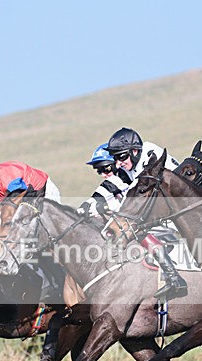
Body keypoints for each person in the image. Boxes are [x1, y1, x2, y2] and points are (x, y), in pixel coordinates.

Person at [104, 128, 187, 301]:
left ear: (135, 151)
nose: (118, 163)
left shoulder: (150, 154)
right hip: (164, 208)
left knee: (135, 227)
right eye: (115, 158)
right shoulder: (130, 164)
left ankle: (173, 277)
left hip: (180, 208)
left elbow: (138, 191)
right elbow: (112, 185)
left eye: (121, 157)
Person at [77, 143, 132, 218]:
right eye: (99, 171)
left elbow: (131, 203)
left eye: (106, 169)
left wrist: (103, 207)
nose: (103, 175)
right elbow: (105, 189)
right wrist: (88, 203)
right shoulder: (115, 183)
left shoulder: (128, 177)